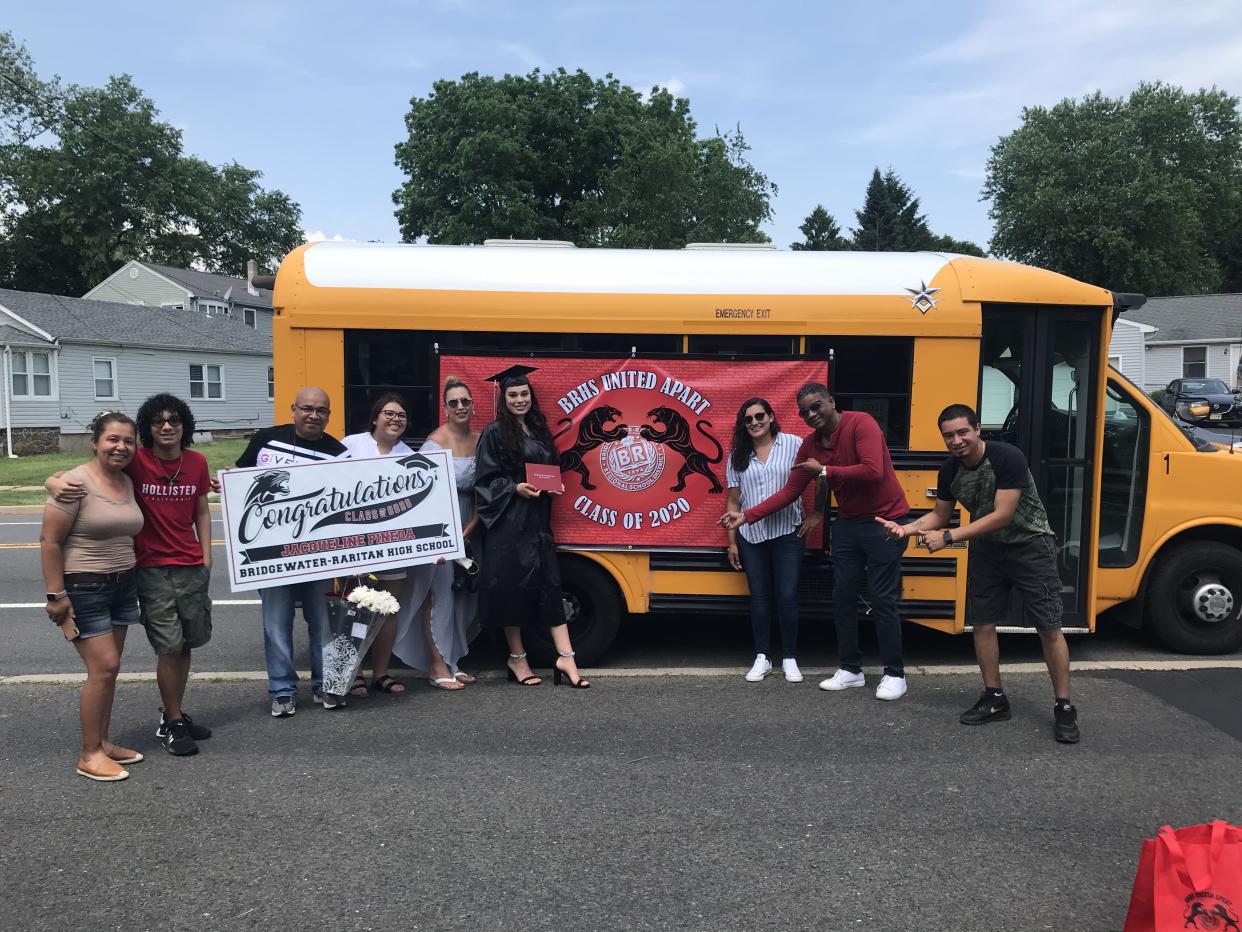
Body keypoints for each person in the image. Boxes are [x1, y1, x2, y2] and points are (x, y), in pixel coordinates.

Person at [877, 404, 1080, 744]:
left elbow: (1002, 515)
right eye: (948, 435)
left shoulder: (1006, 457)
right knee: (983, 623)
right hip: (988, 550)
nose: (956, 440)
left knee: (1048, 627)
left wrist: (950, 538)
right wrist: (906, 529)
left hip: (1031, 546)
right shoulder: (949, 471)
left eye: (962, 432)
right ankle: (995, 698)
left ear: (977, 429)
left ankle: (1064, 705)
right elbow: (940, 516)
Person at [47, 394, 214, 757]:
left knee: (186, 644)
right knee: (168, 647)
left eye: (174, 420)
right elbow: (85, 472)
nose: (167, 427)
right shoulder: (136, 460)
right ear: (147, 429)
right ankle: (170, 722)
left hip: (190, 567)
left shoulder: (197, 462)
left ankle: (176, 715)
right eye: (158, 422)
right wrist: (52, 480)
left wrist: (206, 555)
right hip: (150, 568)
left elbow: (201, 508)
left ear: (185, 426)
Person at [722, 383, 911, 701]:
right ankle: (851, 670)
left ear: (831, 402)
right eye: (805, 411)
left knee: (882, 600)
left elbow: (873, 471)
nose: (811, 414)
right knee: (842, 599)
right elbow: (789, 492)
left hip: (886, 522)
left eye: (816, 406)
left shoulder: (860, 423)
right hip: (849, 524)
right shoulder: (810, 444)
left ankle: (895, 674)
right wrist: (747, 516)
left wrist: (823, 470)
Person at [40, 412, 145, 781]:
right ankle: (88, 754)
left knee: (110, 670)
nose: (120, 447)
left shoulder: (126, 480)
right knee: (103, 667)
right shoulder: (73, 483)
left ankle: (102, 742)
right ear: (95, 442)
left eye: (128, 441)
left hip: (122, 584)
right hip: (84, 587)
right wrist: (56, 595)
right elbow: (49, 541)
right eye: (113, 439)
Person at [473, 365, 589, 689]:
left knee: (550, 586)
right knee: (512, 589)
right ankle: (517, 658)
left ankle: (566, 657)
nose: (520, 399)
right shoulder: (494, 432)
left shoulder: (538, 429)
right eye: (513, 395)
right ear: (504, 399)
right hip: (508, 523)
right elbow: (485, 479)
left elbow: (547, 467)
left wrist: (551, 484)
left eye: (524, 394)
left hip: (537, 520)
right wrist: (514, 488)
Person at [235, 387, 347, 717]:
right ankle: (282, 690)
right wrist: (225, 482)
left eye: (321, 411)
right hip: (272, 556)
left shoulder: (338, 454)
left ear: (329, 415)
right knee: (275, 624)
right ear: (293, 409)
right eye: (307, 409)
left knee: (323, 624)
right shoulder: (266, 440)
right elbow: (240, 477)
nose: (313, 415)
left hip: (318, 554)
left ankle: (325, 685)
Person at [393, 376, 482, 690]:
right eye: (453, 402)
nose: (460, 406)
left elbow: (487, 488)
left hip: (473, 524)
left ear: (473, 405)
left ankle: (454, 660)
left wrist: (469, 531)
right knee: (437, 596)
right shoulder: (434, 442)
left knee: (463, 597)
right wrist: (447, 537)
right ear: (445, 408)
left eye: (465, 401)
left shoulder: (480, 439)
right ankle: (436, 664)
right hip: (441, 527)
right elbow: (423, 493)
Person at [725, 397, 820, 684]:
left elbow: (823, 475)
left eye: (759, 416)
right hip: (751, 537)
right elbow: (733, 501)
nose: (754, 422)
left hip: (788, 533)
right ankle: (762, 657)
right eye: (748, 419)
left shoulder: (794, 445)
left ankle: (789, 657)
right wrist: (731, 542)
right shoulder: (737, 456)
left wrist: (816, 514)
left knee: (788, 596)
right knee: (760, 598)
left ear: (770, 416)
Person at [341, 392, 415, 697]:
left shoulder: (412, 457)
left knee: (387, 611)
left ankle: (381, 673)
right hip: (355, 543)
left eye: (401, 415)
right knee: (355, 610)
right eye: (389, 413)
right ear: (375, 418)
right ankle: (354, 672)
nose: (395, 419)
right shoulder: (350, 444)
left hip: (393, 545)